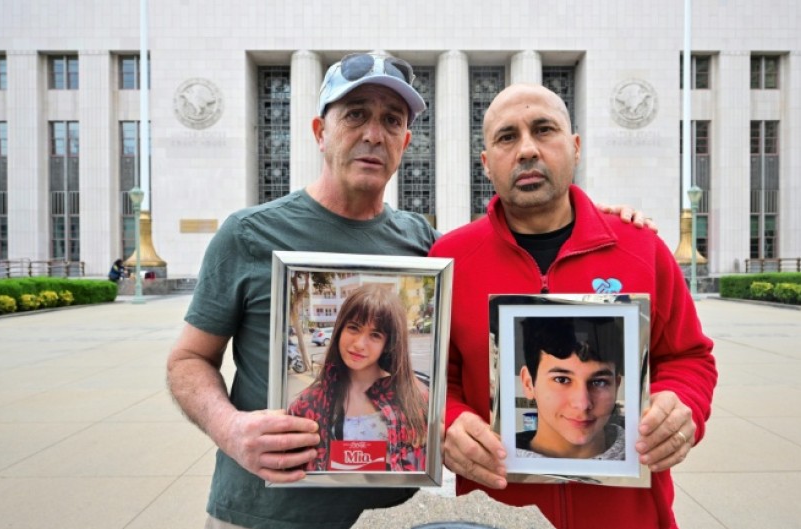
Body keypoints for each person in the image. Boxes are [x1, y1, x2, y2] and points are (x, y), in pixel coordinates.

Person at [167, 52, 653, 529]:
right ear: (320, 132)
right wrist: (230, 430)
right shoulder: (248, 235)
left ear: (405, 141)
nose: (373, 134)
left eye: (391, 120)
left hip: (391, 513)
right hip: (264, 515)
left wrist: (592, 217)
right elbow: (188, 361)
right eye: (355, 115)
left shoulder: (424, 245)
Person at [428, 84, 717, 528]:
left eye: (544, 130)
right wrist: (448, 422)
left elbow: (688, 356)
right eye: (507, 137)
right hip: (498, 515)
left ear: (575, 147)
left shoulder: (641, 249)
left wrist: (682, 405)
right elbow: (431, 376)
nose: (527, 149)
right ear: (486, 163)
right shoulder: (450, 261)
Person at [288, 284, 428, 471]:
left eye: (375, 335)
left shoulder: (416, 398)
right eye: (353, 328)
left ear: (388, 344)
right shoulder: (310, 401)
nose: (360, 344)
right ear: (339, 330)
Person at [515, 317, 625, 461]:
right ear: (528, 383)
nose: (582, 404)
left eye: (599, 382)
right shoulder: (496, 460)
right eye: (562, 380)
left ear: (616, 386)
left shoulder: (645, 456)